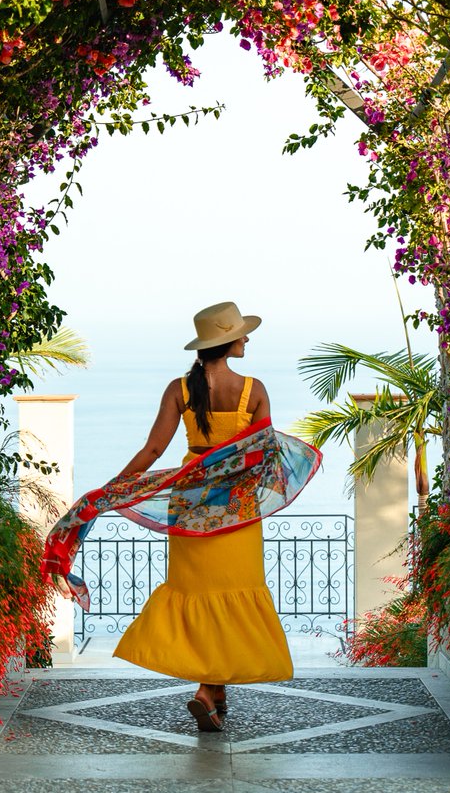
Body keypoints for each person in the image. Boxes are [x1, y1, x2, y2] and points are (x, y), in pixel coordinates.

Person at [54, 301, 294, 733]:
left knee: (198, 592)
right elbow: (263, 455)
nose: (246, 338)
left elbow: (153, 450)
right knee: (231, 593)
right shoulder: (253, 390)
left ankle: (215, 691)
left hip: (189, 501)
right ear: (227, 342)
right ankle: (207, 690)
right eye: (241, 333)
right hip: (235, 506)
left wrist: (116, 486)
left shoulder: (179, 390)